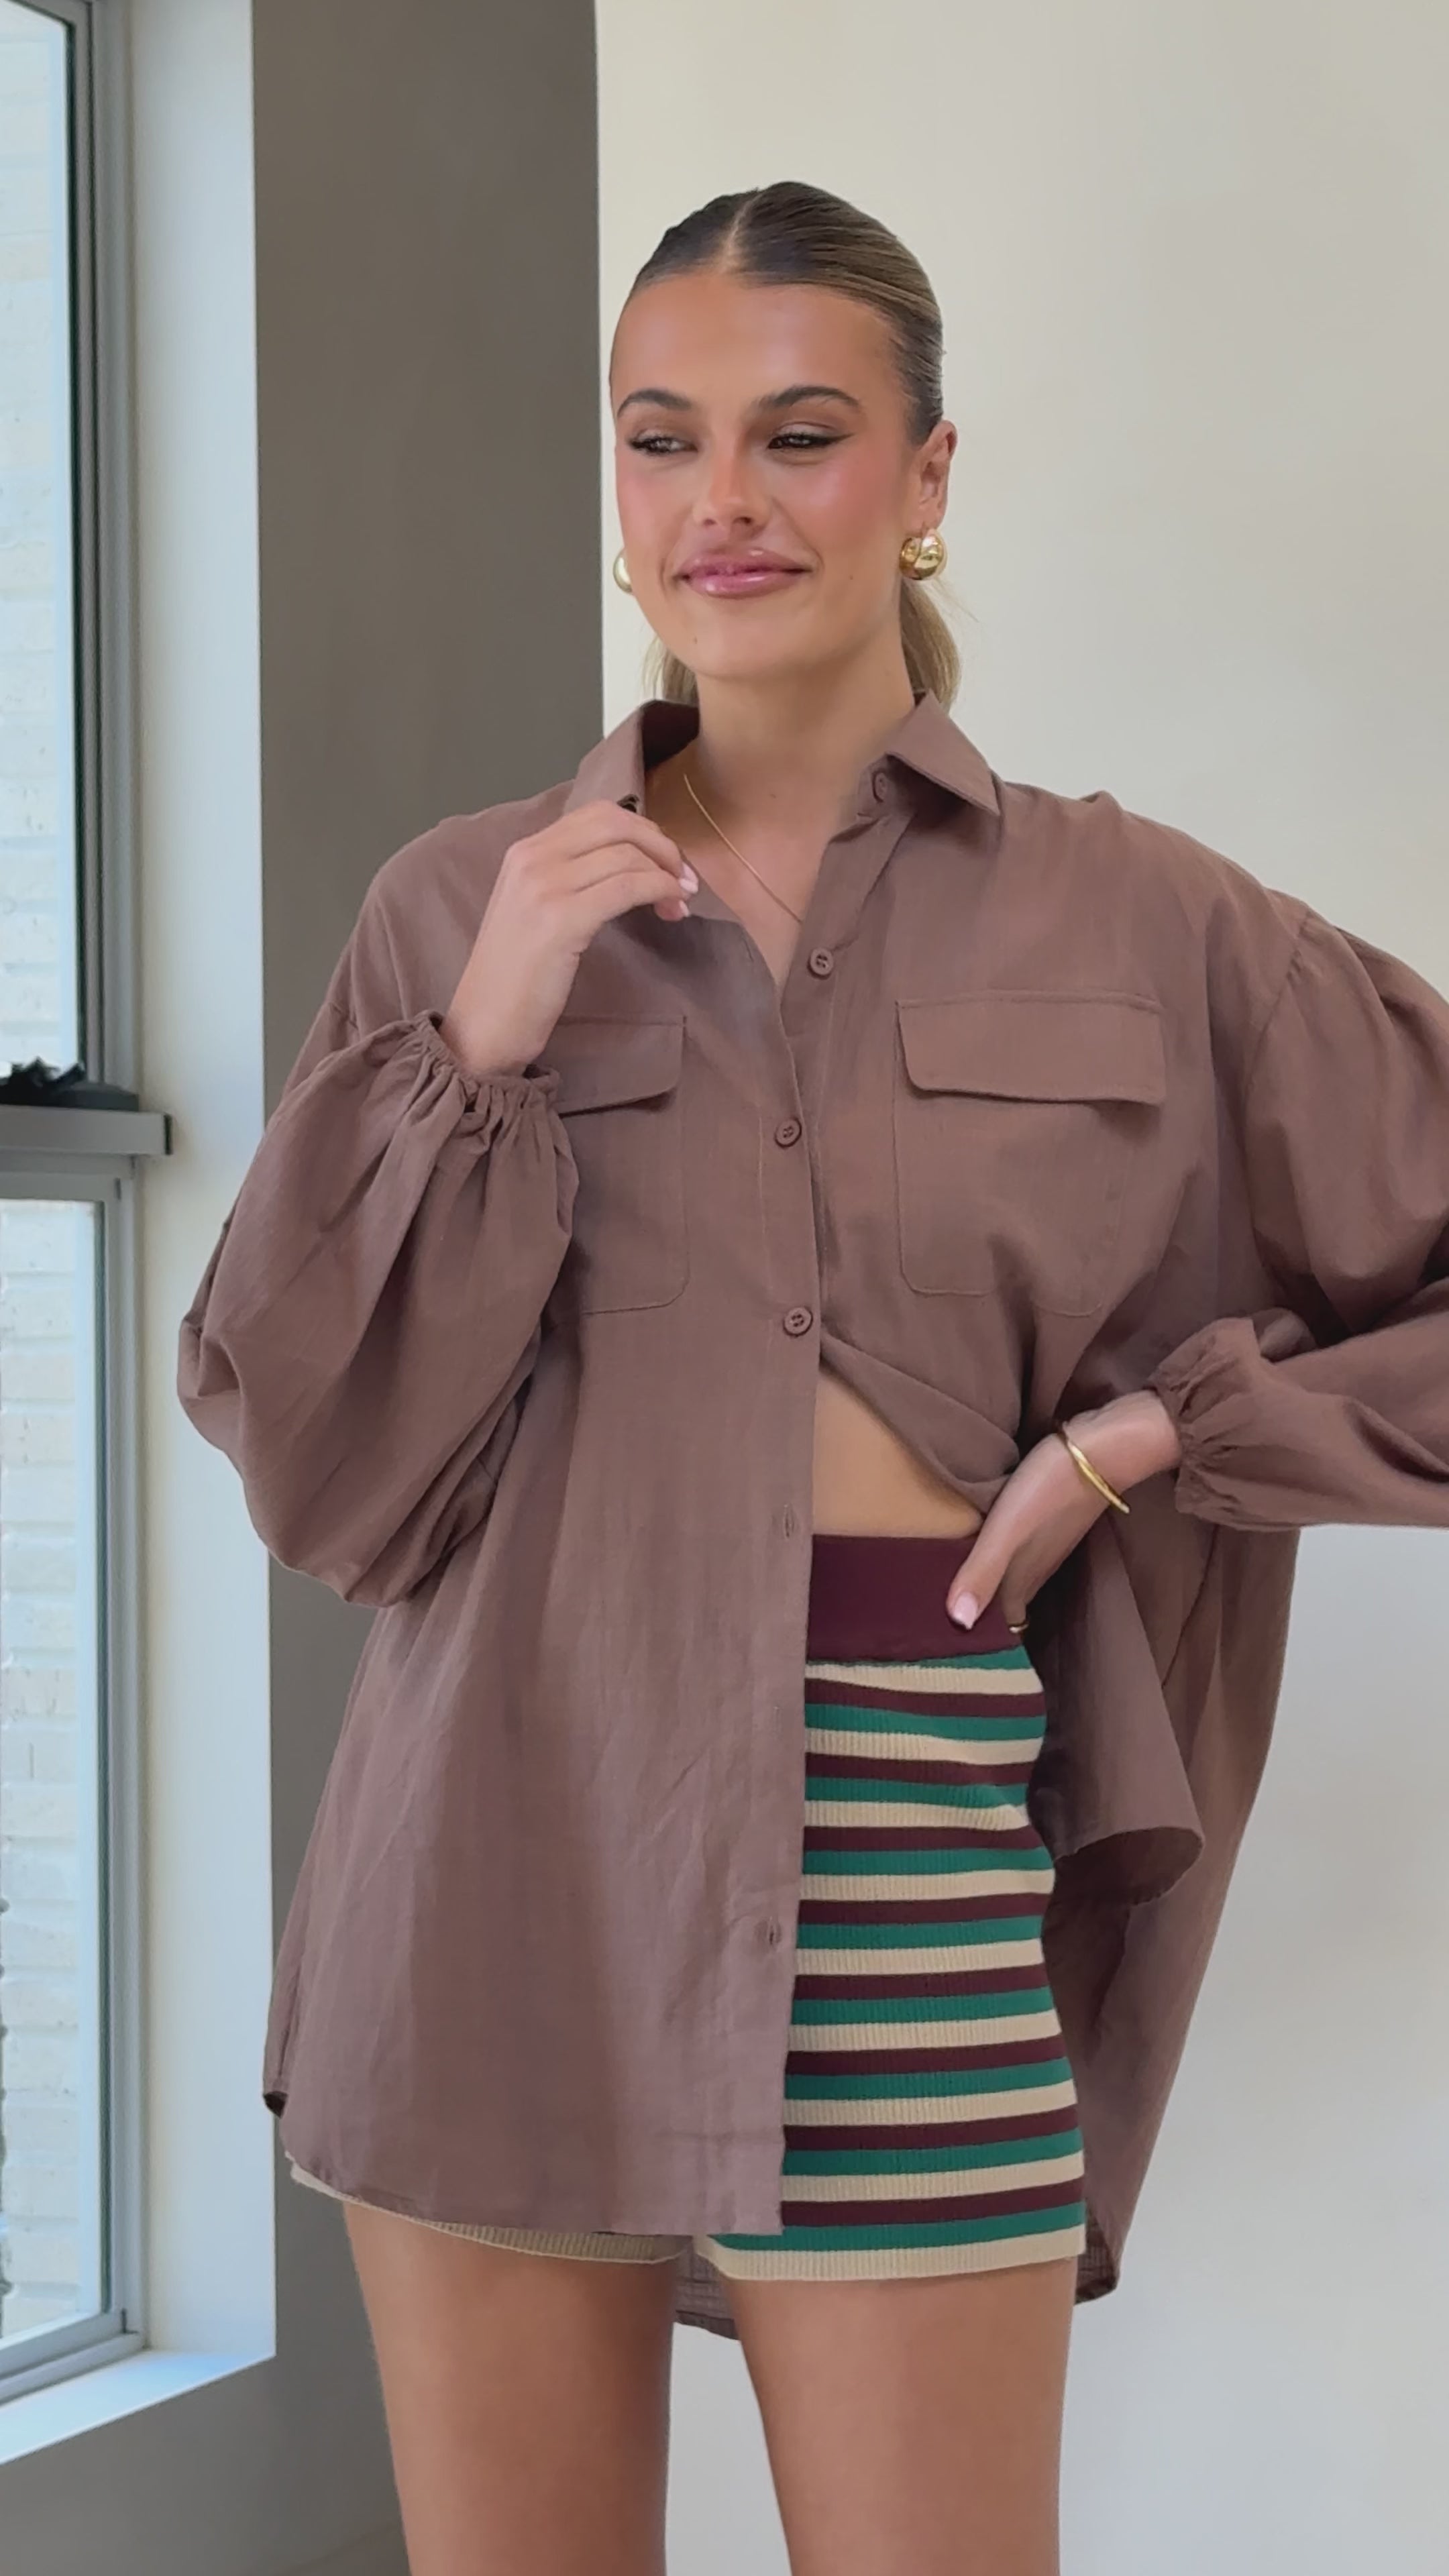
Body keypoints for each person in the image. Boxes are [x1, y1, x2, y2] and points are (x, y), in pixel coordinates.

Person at [176, 178, 1449, 2576]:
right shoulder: (460, 905)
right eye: (663, 439)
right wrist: (478, 1047)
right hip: (495, 1875)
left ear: (929, 473)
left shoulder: (1148, 916)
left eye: (799, 434)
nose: (722, 504)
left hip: (914, 1884)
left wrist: (1165, 1435)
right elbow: (310, 1466)